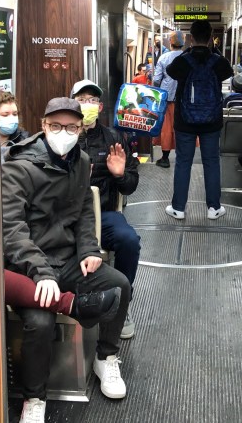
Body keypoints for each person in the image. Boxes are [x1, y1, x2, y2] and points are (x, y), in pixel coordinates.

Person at [3, 97, 131, 422]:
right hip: (30, 266)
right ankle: (35, 397)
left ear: (80, 128)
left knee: (120, 285)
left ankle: (106, 356)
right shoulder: (19, 167)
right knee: (40, 322)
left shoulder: (81, 160)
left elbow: (85, 211)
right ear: (44, 126)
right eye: (57, 126)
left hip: (69, 258)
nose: (65, 133)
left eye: (72, 127)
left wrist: (89, 250)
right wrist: (41, 271)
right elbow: (12, 229)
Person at [71, 79, 141, 339]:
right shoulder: (61, 137)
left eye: (92, 100)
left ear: (100, 107)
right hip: (67, 214)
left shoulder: (115, 138)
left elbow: (131, 186)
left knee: (129, 240)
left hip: (105, 215)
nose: (86, 105)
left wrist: (120, 174)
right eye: (81, 99)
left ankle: (122, 300)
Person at [164, 20, 233, 220]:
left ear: (191, 38)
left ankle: (178, 207)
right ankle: (214, 208)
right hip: (211, 121)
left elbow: (170, 72)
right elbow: (228, 71)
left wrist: (187, 51)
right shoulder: (217, 61)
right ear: (211, 37)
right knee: (211, 162)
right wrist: (214, 51)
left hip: (184, 120)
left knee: (183, 162)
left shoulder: (184, 60)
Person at [153, 30, 185, 168]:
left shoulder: (164, 58)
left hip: (166, 98)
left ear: (170, 42)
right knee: (183, 127)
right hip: (184, 100)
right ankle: (183, 157)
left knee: (166, 127)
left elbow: (156, 80)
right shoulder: (187, 57)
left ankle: (165, 158)